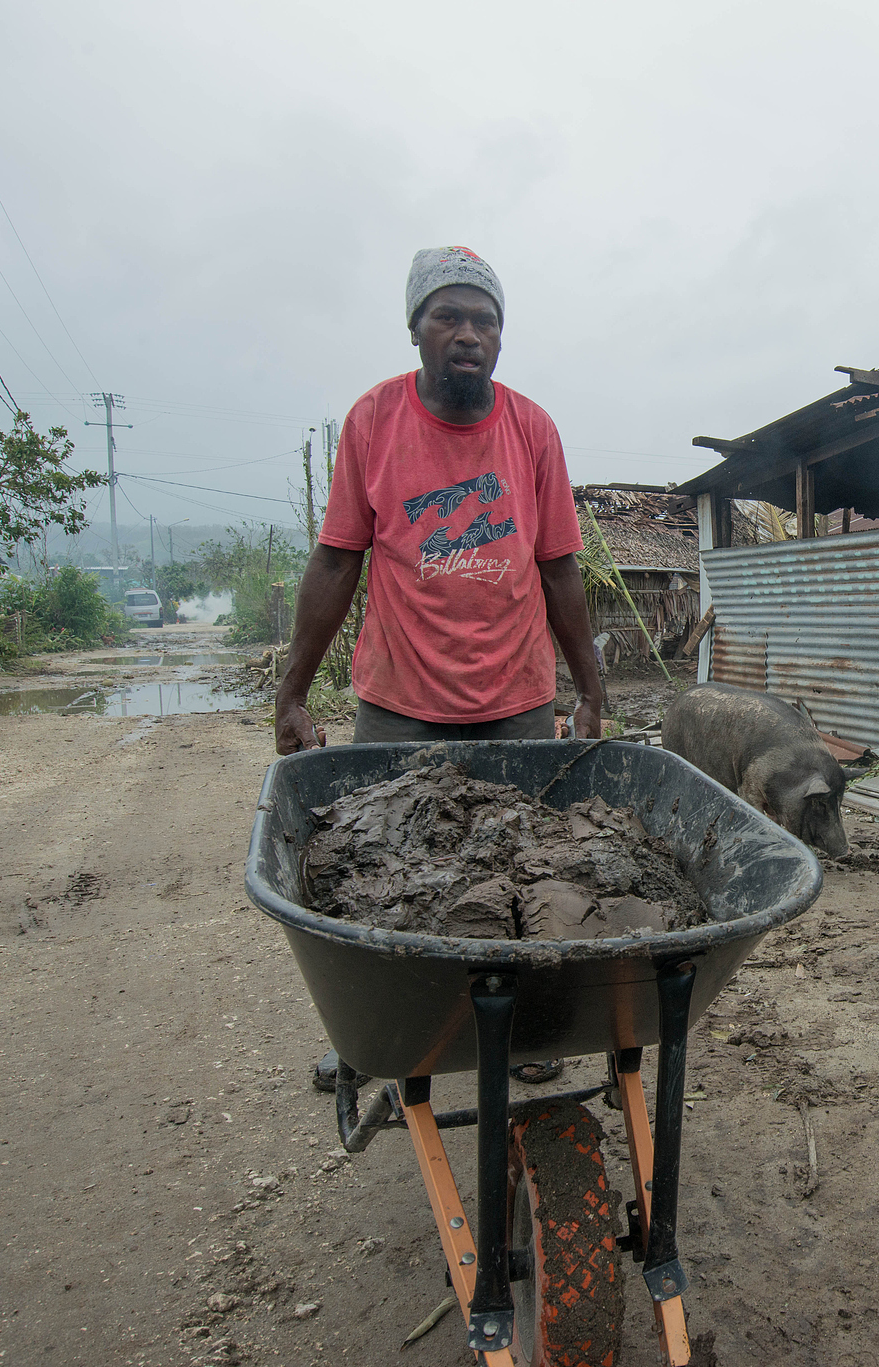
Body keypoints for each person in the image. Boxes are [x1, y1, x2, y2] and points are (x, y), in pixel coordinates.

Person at [275, 246, 606, 1090]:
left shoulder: (532, 429)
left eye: (484, 320)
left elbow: (561, 567)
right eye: (448, 316)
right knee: (375, 870)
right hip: (400, 701)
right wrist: (291, 690)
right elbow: (336, 561)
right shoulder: (375, 421)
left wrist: (592, 689)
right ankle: (378, 1034)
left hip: (516, 701)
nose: (468, 334)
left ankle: (526, 1032)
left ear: (502, 336)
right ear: (416, 327)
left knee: (526, 864)